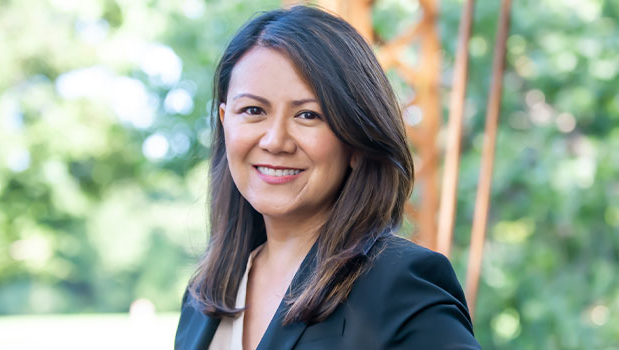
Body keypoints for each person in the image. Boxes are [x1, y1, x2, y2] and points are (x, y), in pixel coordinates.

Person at [175, 5, 480, 350]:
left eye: (308, 115)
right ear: (224, 120)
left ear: (356, 140)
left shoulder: (400, 285)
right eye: (253, 110)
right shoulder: (203, 296)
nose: (275, 141)